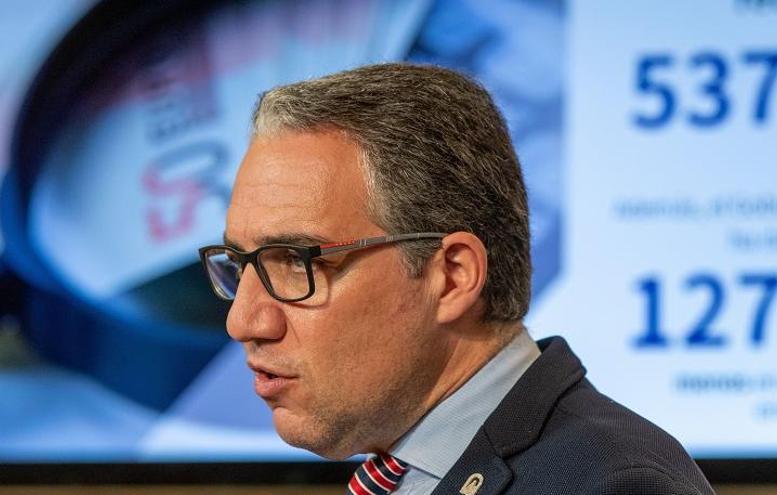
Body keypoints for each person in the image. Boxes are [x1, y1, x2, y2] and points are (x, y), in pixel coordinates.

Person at [199, 63, 715, 495]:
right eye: (240, 263)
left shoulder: (611, 485)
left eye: (297, 261)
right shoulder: (409, 469)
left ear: (452, 276)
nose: (244, 321)